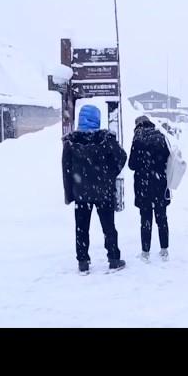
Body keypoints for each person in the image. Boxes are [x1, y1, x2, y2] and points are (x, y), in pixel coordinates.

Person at [62, 104, 128, 274]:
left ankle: (83, 262)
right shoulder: (106, 139)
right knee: (108, 227)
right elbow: (122, 157)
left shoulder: (71, 142)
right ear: (97, 120)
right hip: (103, 191)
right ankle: (113, 258)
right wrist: (110, 174)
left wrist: (70, 193)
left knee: (81, 228)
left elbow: (66, 170)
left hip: (81, 193)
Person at [128, 116, 171, 262]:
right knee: (162, 217)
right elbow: (168, 159)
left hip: (143, 185)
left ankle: (145, 252)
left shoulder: (137, 139)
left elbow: (132, 164)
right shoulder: (161, 136)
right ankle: (164, 250)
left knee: (145, 219)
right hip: (160, 184)